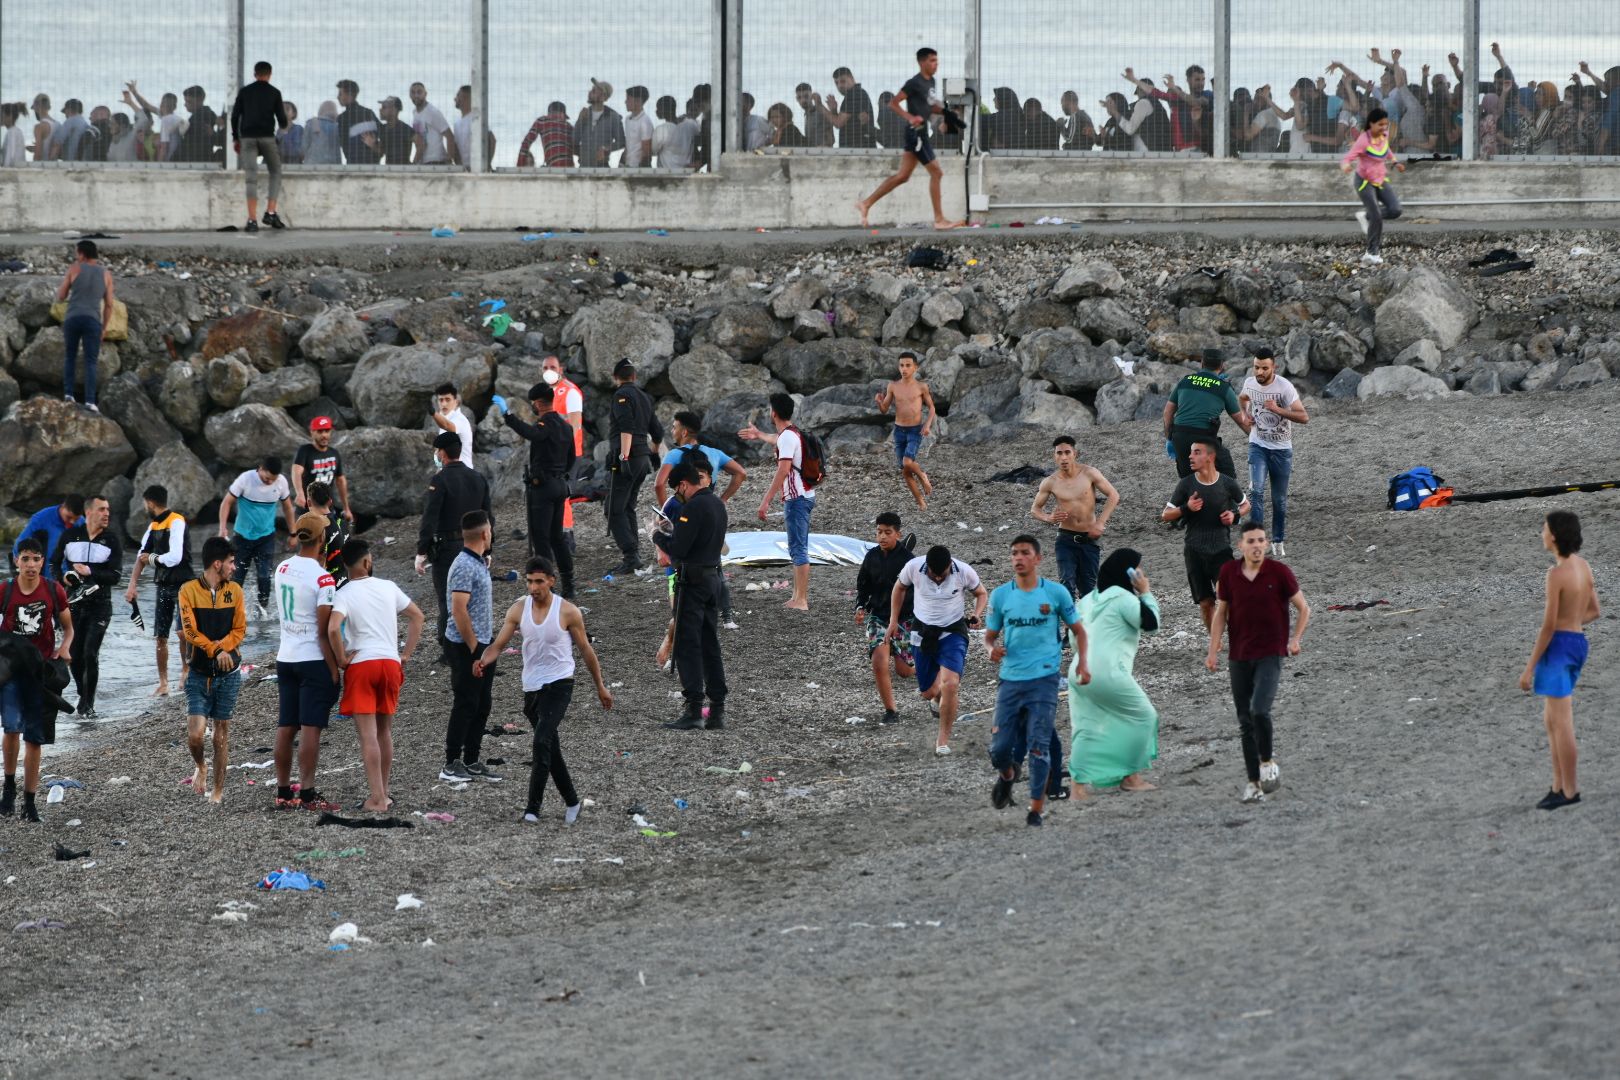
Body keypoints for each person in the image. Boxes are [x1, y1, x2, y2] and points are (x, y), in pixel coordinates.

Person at [478, 555, 612, 824]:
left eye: (539, 581)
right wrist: (483, 660)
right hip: (532, 686)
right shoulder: (518, 609)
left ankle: (532, 809)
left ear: (551, 580)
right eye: (529, 581)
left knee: (540, 742)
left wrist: (600, 686)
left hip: (560, 683)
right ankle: (572, 802)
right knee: (551, 748)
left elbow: (586, 649)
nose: (533, 587)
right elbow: (499, 644)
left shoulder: (568, 611)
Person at [985, 534, 1086, 827]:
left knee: (1039, 745)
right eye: (1014, 553)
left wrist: (1084, 664)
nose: (1018, 558)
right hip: (1010, 680)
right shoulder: (1001, 596)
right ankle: (1007, 775)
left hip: (1044, 679)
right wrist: (992, 650)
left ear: (1038, 558)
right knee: (1000, 751)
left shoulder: (1055, 594)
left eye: (1024, 553)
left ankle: (1036, 809)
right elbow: (989, 638)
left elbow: (1079, 630)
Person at [1206, 523, 1310, 804]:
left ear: (1266, 544)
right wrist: (1213, 648)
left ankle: (1266, 761)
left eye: (1261, 541)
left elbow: (1303, 608)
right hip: (1239, 655)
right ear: (1240, 545)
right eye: (1251, 541)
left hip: (1271, 652)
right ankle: (1254, 783)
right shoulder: (1228, 573)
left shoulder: (1280, 573)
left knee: (1259, 710)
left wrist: (1295, 639)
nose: (1256, 545)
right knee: (1244, 722)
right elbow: (1221, 612)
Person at [329, 539, 424, 813]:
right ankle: (386, 792)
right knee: (385, 731)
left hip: (363, 665)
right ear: (368, 562)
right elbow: (417, 617)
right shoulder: (388, 587)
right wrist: (405, 654)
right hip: (389, 663)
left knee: (368, 736)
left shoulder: (344, 593)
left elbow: (334, 629)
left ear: (346, 566)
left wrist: (342, 659)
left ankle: (377, 799)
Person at [1520, 511, 1599, 810]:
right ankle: (1558, 785)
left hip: (1560, 647)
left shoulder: (1556, 575)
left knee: (1561, 723)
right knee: (1551, 719)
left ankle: (1569, 790)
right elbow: (1594, 611)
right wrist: (1572, 623)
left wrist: (1529, 668)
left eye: (1544, 529)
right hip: (1578, 643)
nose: (1542, 533)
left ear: (1554, 535)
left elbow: (1548, 626)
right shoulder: (1584, 567)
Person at [1069, 549, 1160, 794]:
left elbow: (1073, 639)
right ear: (1127, 573)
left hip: (1078, 670)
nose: (1141, 573)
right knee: (1143, 717)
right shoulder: (1123, 597)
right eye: (1137, 569)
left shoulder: (1086, 600)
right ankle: (1131, 776)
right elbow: (1151, 624)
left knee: (1086, 726)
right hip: (1107, 670)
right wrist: (1146, 592)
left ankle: (1077, 787)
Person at [272, 513, 342, 811]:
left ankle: (284, 790)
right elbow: (325, 630)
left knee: (286, 726)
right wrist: (335, 668)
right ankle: (309, 792)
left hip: (285, 656)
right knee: (310, 726)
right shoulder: (323, 578)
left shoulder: (282, 568)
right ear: (322, 539)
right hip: (312, 657)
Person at [654, 459, 730, 731]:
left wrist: (657, 534)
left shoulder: (694, 506)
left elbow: (680, 549)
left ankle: (694, 709)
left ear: (685, 484)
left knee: (687, 645)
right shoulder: (718, 504)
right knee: (710, 644)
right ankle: (717, 709)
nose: (679, 494)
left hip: (693, 584)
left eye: (679, 489)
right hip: (713, 579)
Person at [0, 539, 72, 823]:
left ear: (43, 561)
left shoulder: (54, 590)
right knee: (12, 731)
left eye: (36, 559)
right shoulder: (5, 591)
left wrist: (65, 647)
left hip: (41, 675)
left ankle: (30, 803)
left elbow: (68, 628)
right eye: (26, 559)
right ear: (16, 560)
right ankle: (8, 789)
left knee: (34, 739)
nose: (31, 565)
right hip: (10, 674)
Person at [891, 544, 987, 755]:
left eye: (941, 575)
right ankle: (936, 698)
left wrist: (977, 614)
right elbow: (899, 588)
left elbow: (981, 593)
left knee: (951, 684)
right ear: (927, 567)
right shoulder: (914, 567)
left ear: (950, 566)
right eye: (933, 574)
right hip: (922, 631)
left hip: (953, 631)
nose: (937, 579)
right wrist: (893, 620)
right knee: (928, 692)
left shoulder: (963, 571)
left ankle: (942, 740)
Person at [855, 48, 964, 230]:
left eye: (937, 60)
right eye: (931, 61)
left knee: (903, 176)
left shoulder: (932, 82)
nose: (935, 64)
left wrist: (945, 112)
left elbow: (928, 106)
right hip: (915, 133)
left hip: (918, 133)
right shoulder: (914, 83)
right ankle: (939, 220)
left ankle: (866, 203)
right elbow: (894, 103)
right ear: (921, 63)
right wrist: (910, 118)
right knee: (936, 173)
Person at [177, 536, 246, 803]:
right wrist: (216, 651)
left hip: (229, 675)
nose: (234, 567)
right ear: (217, 564)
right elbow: (190, 632)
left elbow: (240, 629)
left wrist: (226, 647)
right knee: (195, 735)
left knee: (221, 734)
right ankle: (200, 766)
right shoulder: (188, 591)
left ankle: (217, 792)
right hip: (198, 674)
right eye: (230, 562)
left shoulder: (236, 591)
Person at [493, 383, 576, 597]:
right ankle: (569, 583)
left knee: (541, 538)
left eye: (533, 403)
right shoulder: (566, 427)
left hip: (544, 488)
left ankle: (546, 584)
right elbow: (571, 459)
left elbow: (530, 433)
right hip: (559, 485)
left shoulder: (544, 424)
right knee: (557, 537)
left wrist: (508, 415)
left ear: (538, 403)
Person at [415, 431, 492, 654]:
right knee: (476, 599)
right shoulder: (478, 478)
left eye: (437, 451)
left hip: (447, 548)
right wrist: (489, 548)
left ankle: (449, 646)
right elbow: (488, 516)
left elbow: (430, 517)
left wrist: (422, 550)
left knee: (448, 600)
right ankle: (475, 642)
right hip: (477, 545)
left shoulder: (439, 480)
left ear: (443, 453)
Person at [739, 393, 817, 610]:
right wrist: (759, 435)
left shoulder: (787, 437)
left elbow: (783, 469)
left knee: (798, 548)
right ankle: (796, 596)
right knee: (797, 547)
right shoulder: (792, 433)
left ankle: (801, 600)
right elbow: (778, 439)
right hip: (804, 495)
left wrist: (766, 501)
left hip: (797, 499)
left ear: (774, 412)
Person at [1163, 437, 1250, 631]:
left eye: (1196, 452)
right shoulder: (1185, 485)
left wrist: (1234, 515)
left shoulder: (1227, 483)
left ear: (1210, 457)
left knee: (1225, 595)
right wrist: (1187, 508)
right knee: (1206, 603)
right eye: (1191, 452)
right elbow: (1166, 515)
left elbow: (1245, 504)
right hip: (1194, 551)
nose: (1190, 456)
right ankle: (1215, 641)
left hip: (1221, 549)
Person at [442, 510, 500, 783]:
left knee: (482, 703)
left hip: (483, 645)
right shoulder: (464, 565)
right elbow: (459, 610)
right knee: (466, 702)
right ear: (485, 534)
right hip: (466, 646)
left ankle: (472, 760)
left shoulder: (477, 562)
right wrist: (476, 649)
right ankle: (451, 762)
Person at [51, 494, 121, 719]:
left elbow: (116, 575)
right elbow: (54, 563)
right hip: (73, 603)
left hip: (100, 605)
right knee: (74, 654)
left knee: (91, 653)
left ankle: (88, 705)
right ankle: (83, 693)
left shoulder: (111, 540)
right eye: (101, 509)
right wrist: (64, 577)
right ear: (88, 512)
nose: (106, 513)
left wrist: (92, 572)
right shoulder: (71, 536)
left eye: (108, 510)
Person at [1029, 435, 1121, 600]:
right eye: (1059, 453)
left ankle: (1085, 624)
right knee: (1067, 584)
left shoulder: (1089, 473)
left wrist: (1100, 522)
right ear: (1054, 456)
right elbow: (1035, 509)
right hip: (1065, 539)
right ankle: (1069, 625)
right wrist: (1049, 518)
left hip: (1089, 539)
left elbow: (1113, 495)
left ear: (1074, 454)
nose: (1063, 457)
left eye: (1067, 452)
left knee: (1088, 588)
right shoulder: (1050, 482)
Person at [1238, 346, 1308, 558]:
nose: (1259, 372)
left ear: (1274, 368)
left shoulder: (1284, 387)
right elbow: (1242, 398)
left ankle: (1278, 540)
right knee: (1256, 492)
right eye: (1256, 367)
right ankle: (1257, 541)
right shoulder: (1250, 383)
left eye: (1264, 368)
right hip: (1257, 445)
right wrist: (1245, 415)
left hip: (1281, 450)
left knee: (1279, 500)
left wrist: (1277, 409)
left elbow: (1304, 417)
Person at [125, 485, 194, 697]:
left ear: (150, 502)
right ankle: (163, 683)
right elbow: (141, 556)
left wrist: (153, 559)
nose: (145, 506)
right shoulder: (153, 525)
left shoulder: (176, 520)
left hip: (184, 584)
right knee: (160, 636)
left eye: (145, 503)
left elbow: (175, 557)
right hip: (163, 585)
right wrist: (132, 584)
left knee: (184, 632)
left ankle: (186, 670)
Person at [854, 511, 916, 725]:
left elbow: (920, 592)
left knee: (905, 671)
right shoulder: (871, 556)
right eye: (879, 532)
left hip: (905, 619)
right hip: (879, 617)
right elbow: (863, 585)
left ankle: (921, 662)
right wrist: (860, 606)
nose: (882, 537)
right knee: (879, 661)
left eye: (887, 533)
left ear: (898, 534)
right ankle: (891, 710)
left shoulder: (910, 561)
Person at [604, 359, 664, 575]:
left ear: (616, 377)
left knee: (612, 508)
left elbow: (626, 427)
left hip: (629, 458)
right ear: (635, 376)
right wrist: (655, 453)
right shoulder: (645, 397)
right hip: (642, 459)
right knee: (627, 506)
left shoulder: (621, 395)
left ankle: (631, 556)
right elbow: (657, 431)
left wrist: (623, 457)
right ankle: (633, 552)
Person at [220, 456, 296, 621]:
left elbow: (288, 507)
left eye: (273, 480)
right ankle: (229, 613)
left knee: (264, 577)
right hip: (242, 537)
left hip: (266, 538)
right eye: (267, 478)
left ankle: (262, 614)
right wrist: (222, 528)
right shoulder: (246, 479)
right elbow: (226, 503)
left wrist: (293, 533)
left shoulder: (281, 482)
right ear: (260, 468)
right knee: (237, 576)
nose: (270, 482)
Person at [1164, 348, 1250, 479]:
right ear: (1222, 366)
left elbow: (1168, 411)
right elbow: (1241, 420)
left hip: (1179, 435)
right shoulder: (1224, 388)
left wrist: (1169, 437)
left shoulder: (1185, 381)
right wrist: (1258, 440)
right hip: (1203, 437)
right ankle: (1229, 497)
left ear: (1202, 363)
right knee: (1226, 471)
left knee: (1188, 478)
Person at [55, 239, 114, 412]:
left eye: (76, 252)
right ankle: (90, 401)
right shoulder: (106, 275)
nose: (75, 256)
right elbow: (109, 304)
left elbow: (61, 296)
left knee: (70, 356)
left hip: (72, 318)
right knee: (90, 361)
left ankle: (68, 395)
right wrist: (104, 328)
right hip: (93, 321)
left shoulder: (74, 269)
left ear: (82, 253)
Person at [1341, 106, 1405, 266]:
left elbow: (1387, 150)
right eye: (1380, 125)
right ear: (1371, 124)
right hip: (1364, 182)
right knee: (1377, 215)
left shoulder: (1384, 135)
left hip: (1380, 178)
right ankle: (1371, 253)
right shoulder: (1363, 140)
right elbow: (1347, 158)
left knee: (1395, 209)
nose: (1384, 128)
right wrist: (1346, 166)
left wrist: (1395, 162)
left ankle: (1366, 216)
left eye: (1386, 124)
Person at [231, 61, 288, 233]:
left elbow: (235, 117)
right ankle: (270, 212)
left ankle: (252, 220)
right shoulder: (274, 93)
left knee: (251, 178)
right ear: (270, 74)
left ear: (255, 74)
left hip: (247, 139)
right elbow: (282, 120)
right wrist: (282, 126)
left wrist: (236, 138)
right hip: (267, 137)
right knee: (276, 171)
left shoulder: (244, 92)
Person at [874, 351, 936, 510]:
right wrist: (879, 403)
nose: (904, 369)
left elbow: (931, 408)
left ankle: (922, 475)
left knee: (907, 462)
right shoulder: (893, 386)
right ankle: (920, 500)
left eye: (908, 365)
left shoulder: (921, 387)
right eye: (902, 365)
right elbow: (884, 409)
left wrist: (927, 425)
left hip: (915, 430)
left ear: (915, 367)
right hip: (899, 430)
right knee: (905, 470)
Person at [654, 411, 747, 506]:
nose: (671, 431)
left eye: (674, 428)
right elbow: (741, 473)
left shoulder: (673, 455)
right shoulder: (716, 453)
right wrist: (723, 500)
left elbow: (659, 484)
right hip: (709, 507)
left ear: (684, 432)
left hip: (684, 510)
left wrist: (665, 512)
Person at [541, 354, 586, 542]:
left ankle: (567, 537)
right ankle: (558, 535)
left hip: (568, 453)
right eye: (545, 368)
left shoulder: (570, 392)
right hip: (554, 453)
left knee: (563, 494)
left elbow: (575, 425)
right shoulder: (547, 393)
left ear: (561, 369)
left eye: (552, 367)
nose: (548, 371)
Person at [291, 415, 352, 518]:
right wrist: (300, 493)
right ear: (312, 432)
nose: (324, 435)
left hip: (327, 509)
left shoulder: (334, 453)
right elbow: (296, 471)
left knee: (330, 534)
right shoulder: (305, 451)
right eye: (320, 432)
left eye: (327, 431)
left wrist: (346, 508)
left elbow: (340, 481)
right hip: (306, 509)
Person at [12, 496, 83, 579]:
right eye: (69, 517)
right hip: (42, 577)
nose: (72, 522)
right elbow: (19, 545)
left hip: (68, 577)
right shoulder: (41, 519)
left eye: (76, 519)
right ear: (63, 506)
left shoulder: (81, 522)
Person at [305, 482, 350, 584]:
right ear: (330, 502)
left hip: (325, 585)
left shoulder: (314, 528)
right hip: (345, 581)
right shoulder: (342, 524)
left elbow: (313, 562)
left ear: (309, 502)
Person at [576, 78, 625, 166]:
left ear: (603, 97)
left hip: (602, 167)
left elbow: (621, 142)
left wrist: (606, 149)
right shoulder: (584, 113)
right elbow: (574, 140)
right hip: (583, 167)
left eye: (594, 91)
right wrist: (580, 121)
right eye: (591, 90)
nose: (590, 92)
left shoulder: (613, 117)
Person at [429, 382, 475, 469]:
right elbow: (437, 452)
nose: (444, 404)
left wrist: (432, 412)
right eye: (441, 400)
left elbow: (447, 425)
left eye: (448, 399)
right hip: (449, 471)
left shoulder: (460, 420)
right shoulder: (445, 419)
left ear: (456, 402)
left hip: (464, 471)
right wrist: (439, 468)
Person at [335, 79, 380, 165]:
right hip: (374, 165)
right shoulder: (369, 113)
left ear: (349, 95)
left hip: (354, 166)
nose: (338, 97)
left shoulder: (342, 118)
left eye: (340, 94)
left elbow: (341, 143)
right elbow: (383, 134)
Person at [519, 101, 575, 167]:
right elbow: (575, 146)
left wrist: (519, 165)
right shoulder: (569, 126)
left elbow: (526, 142)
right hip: (569, 168)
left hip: (553, 167)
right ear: (563, 114)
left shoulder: (541, 121)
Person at [409, 83, 454, 164]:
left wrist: (449, 158)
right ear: (410, 95)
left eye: (419, 92)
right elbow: (418, 139)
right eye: (413, 92)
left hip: (437, 160)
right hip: (423, 162)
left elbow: (450, 136)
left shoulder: (432, 112)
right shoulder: (415, 113)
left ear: (425, 94)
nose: (416, 95)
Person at [621, 86, 654, 167]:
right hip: (627, 166)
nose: (625, 102)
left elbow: (646, 151)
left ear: (638, 101)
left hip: (638, 168)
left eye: (628, 99)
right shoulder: (627, 119)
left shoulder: (645, 121)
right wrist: (621, 164)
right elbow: (628, 145)